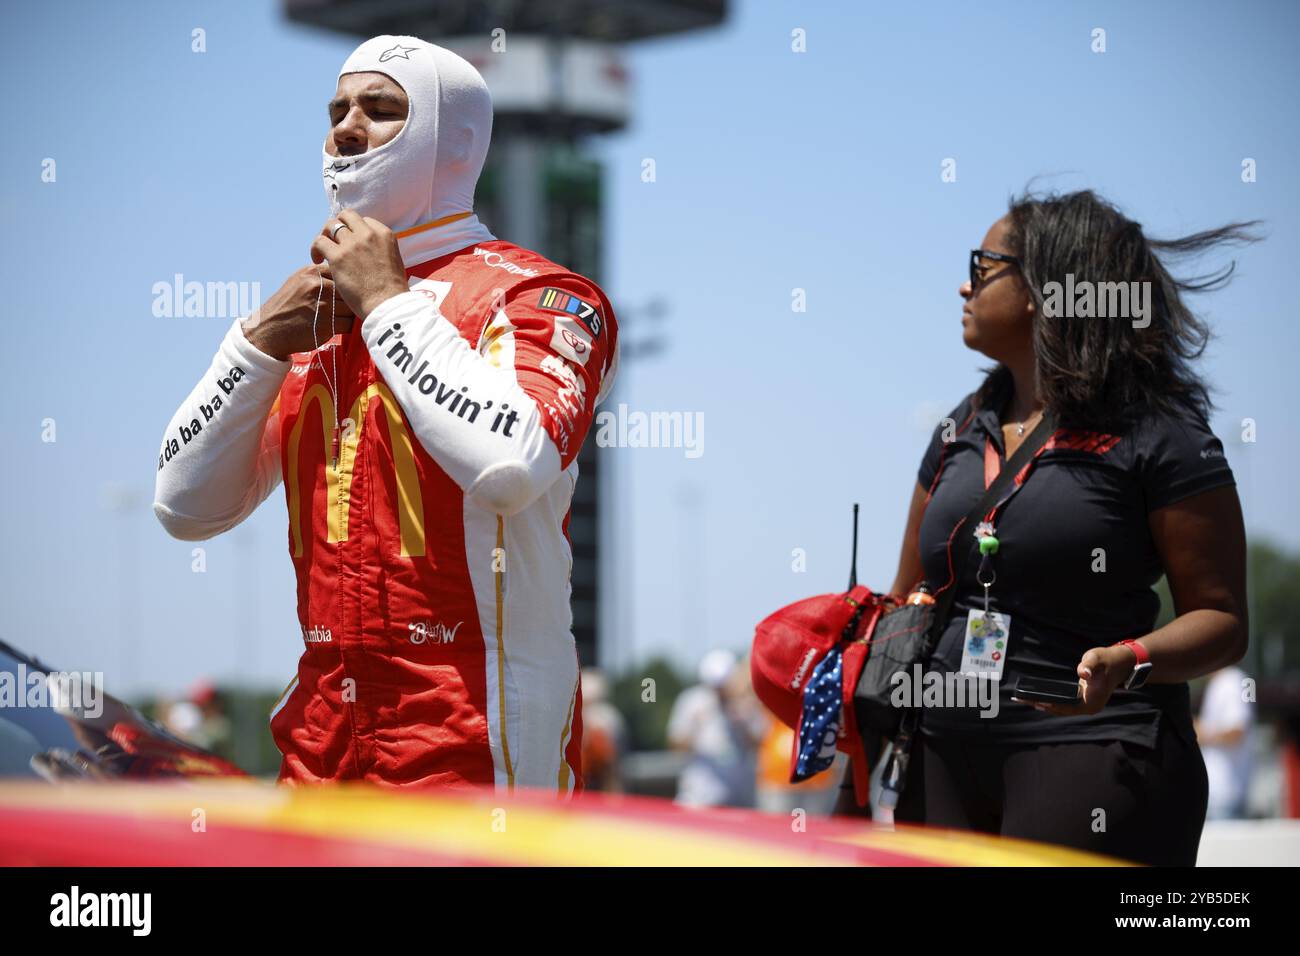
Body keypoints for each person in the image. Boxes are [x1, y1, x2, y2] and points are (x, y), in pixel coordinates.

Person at [153, 36, 619, 793]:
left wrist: (386, 305)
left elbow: (509, 467)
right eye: (336, 110)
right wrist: (257, 343)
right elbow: (183, 509)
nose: (345, 127)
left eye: (381, 109)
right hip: (319, 747)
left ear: (455, 140)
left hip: (475, 749)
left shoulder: (539, 295)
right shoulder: (305, 319)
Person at [835, 190, 1252, 866]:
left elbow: (1221, 619)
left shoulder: (1158, 433)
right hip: (941, 752)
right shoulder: (959, 428)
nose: (963, 282)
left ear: (1044, 289)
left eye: (984, 264)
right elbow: (909, 598)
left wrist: (1131, 660)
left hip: (1095, 753)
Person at [667, 650, 767, 808]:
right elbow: (675, 745)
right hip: (698, 798)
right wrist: (695, 727)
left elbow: (761, 744)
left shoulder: (746, 703)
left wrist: (742, 724)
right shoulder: (692, 701)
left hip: (739, 799)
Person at [1196, 665, 1255, 819]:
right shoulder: (1222, 682)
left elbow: (1237, 731)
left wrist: (1200, 733)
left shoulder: (1234, 680)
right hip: (1219, 794)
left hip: (1226, 793)